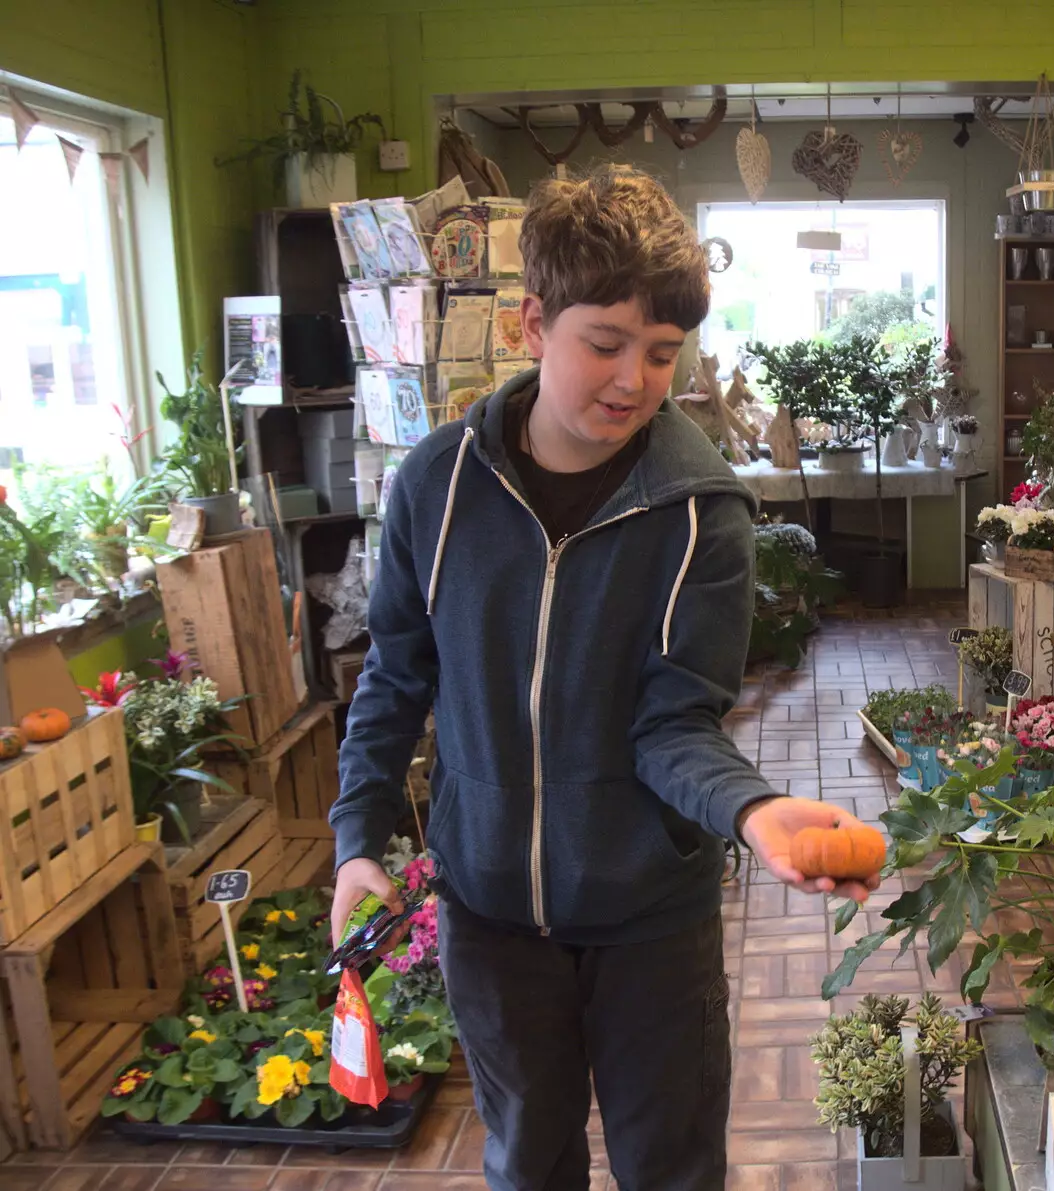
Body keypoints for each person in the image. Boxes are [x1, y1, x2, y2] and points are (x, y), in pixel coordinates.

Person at [328, 165, 880, 1191]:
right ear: (533, 325)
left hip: (649, 923)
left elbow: (674, 726)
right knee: (527, 1165)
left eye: (662, 353)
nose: (634, 379)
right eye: (606, 343)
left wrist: (750, 813)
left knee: (670, 1167)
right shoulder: (435, 489)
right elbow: (395, 679)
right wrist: (359, 842)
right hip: (489, 916)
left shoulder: (700, 512)